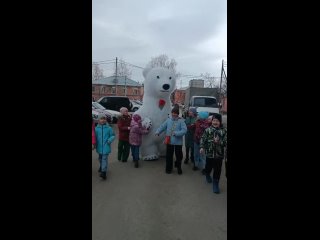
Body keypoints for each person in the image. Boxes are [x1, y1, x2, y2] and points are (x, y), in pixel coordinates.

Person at [200, 113, 227, 193]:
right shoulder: (207, 130)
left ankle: (215, 184)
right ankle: (207, 174)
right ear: (211, 121)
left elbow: (225, 142)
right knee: (208, 167)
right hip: (209, 154)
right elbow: (203, 139)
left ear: (220, 122)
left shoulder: (224, 131)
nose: (215, 122)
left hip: (219, 155)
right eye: (214, 120)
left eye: (217, 121)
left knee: (217, 170)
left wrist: (219, 142)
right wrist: (201, 147)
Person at [155, 107, 187, 175]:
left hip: (178, 142)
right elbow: (162, 126)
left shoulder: (181, 121)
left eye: (175, 113)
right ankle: (168, 168)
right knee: (169, 156)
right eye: (172, 113)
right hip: (169, 141)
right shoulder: (168, 120)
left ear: (178, 114)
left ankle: (179, 167)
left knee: (179, 156)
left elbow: (184, 130)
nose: (173, 114)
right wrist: (158, 131)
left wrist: (176, 133)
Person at [95, 113, 115, 180]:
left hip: (106, 146)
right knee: (100, 158)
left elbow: (113, 135)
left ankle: (104, 172)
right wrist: (94, 144)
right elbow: (94, 137)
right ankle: (101, 166)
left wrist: (109, 140)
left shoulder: (109, 128)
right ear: (98, 120)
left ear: (106, 120)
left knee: (104, 159)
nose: (103, 120)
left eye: (104, 119)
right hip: (99, 147)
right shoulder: (96, 129)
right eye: (101, 119)